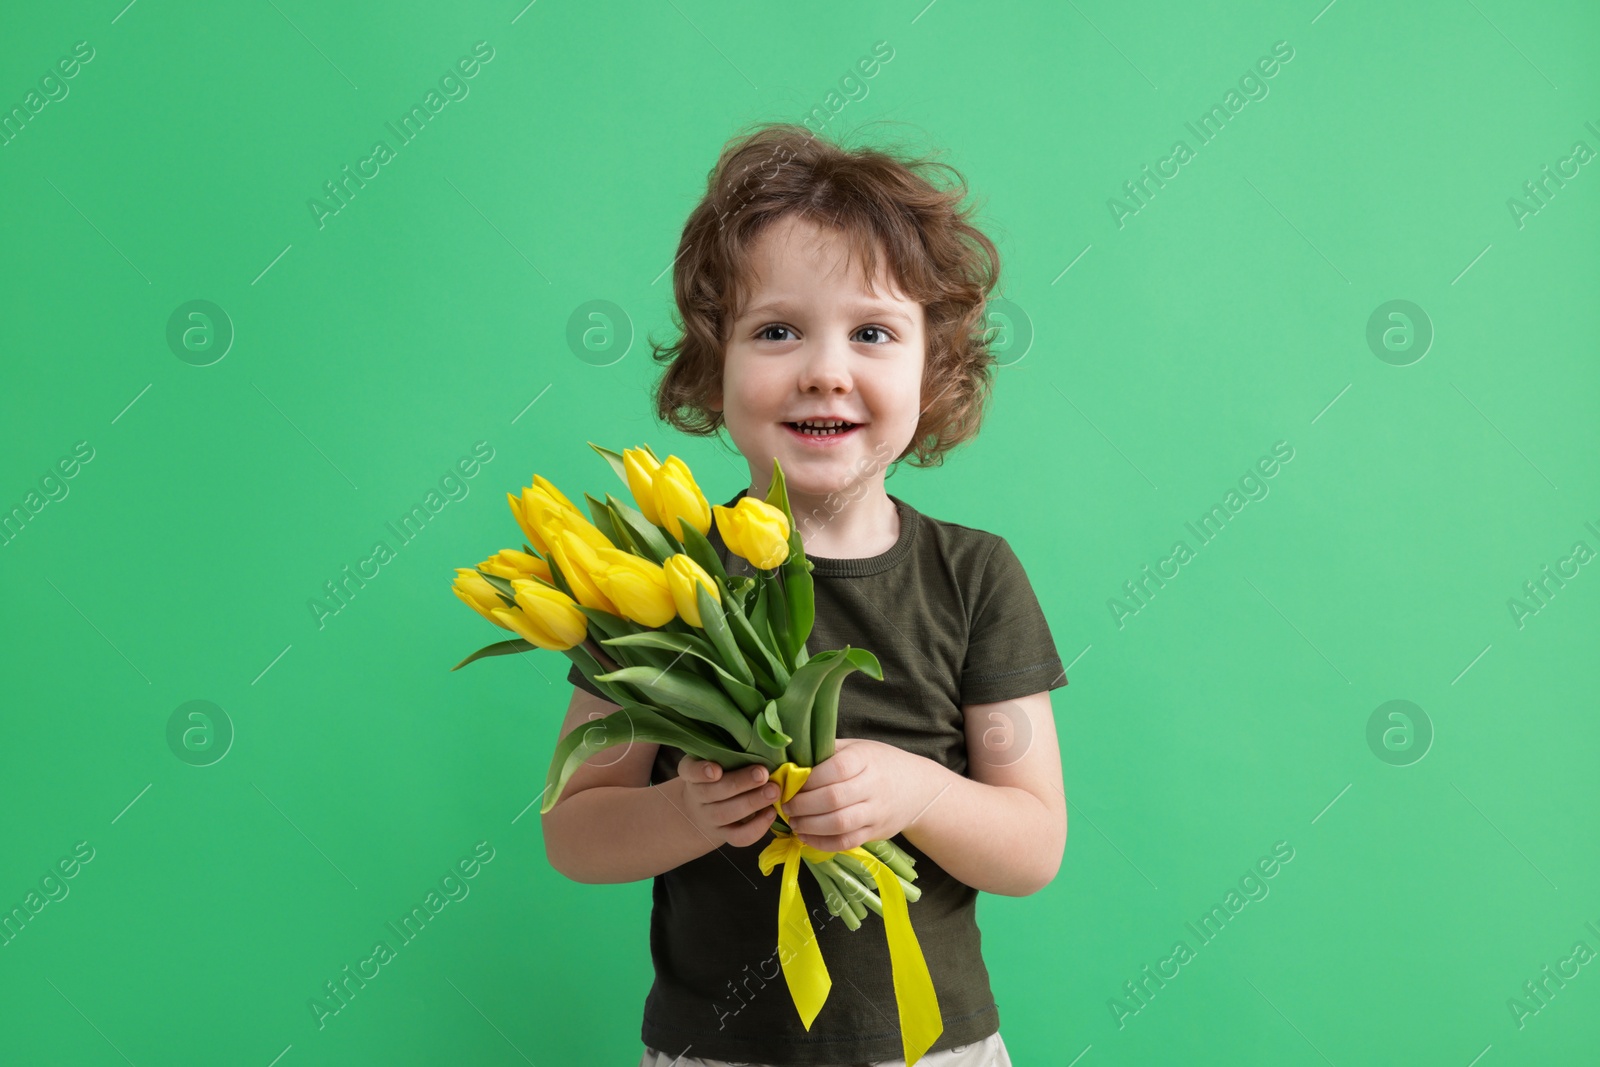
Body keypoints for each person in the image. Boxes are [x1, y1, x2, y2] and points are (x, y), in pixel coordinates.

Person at [540, 121, 1068, 1067]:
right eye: (777, 330)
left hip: (933, 1049)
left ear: (933, 369)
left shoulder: (975, 575)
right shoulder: (659, 579)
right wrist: (684, 816)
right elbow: (575, 830)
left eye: (872, 332)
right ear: (714, 363)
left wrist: (913, 790)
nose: (825, 368)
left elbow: (1031, 843)